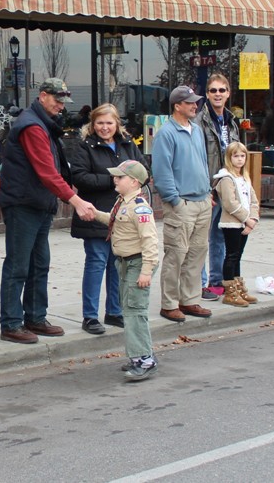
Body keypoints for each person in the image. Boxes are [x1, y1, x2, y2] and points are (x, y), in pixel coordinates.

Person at [0, 78, 95, 344]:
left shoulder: (41, 123)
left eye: (63, 101)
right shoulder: (31, 126)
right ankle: (11, 323)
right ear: (42, 96)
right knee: (19, 265)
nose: (61, 106)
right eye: (57, 100)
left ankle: (35, 317)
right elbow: (46, 172)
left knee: (39, 264)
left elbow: (54, 169)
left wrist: (68, 189)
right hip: (23, 203)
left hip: (39, 203)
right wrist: (75, 200)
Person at [70, 103, 147, 335]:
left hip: (124, 216)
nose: (105, 127)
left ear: (117, 124)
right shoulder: (85, 147)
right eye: (100, 123)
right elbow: (80, 178)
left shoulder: (127, 144)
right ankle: (90, 316)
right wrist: (115, 181)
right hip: (95, 214)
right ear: (93, 125)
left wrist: (131, 182)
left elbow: (143, 171)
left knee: (118, 265)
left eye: (109, 123)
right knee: (96, 263)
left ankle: (114, 311)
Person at [151, 85, 213, 322]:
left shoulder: (196, 130)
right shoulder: (166, 133)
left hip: (202, 201)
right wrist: (174, 200)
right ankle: (169, 304)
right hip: (182, 204)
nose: (195, 105)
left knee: (197, 254)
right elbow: (162, 170)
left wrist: (208, 192)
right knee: (176, 255)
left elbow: (203, 163)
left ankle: (189, 300)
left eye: (195, 102)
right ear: (177, 106)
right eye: (189, 103)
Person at [94, 160, 159, 381]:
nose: (115, 179)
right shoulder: (122, 202)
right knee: (130, 309)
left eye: (120, 177)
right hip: (125, 263)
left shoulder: (140, 207)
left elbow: (150, 240)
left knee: (134, 311)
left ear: (133, 182)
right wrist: (94, 213)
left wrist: (146, 270)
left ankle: (145, 359)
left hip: (138, 263)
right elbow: (114, 222)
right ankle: (139, 356)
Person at [196, 74, 241, 301]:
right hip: (209, 187)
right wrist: (206, 189)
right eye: (213, 90)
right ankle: (201, 284)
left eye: (222, 90)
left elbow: (237, 155)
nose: (217, 94)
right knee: (202, 237)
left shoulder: (231, 122)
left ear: (228, 93)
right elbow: (198, 158)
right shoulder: (199, 122)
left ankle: (217, 281)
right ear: (207, 94)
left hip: (228, 186)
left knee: (221, 235)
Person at [213, 142, 260, 307]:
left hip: (245, 223)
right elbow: (230, 203)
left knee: (238, 256)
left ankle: (238, 287)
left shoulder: (244, 177)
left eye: (242, 156)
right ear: (229, 157)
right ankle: (229, 290)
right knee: (231, 255)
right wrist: (246, 219)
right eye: (236, 156)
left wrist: (252, 219)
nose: (240, 159)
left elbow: (253, 199)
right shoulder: (226, 178)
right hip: (232, 223)